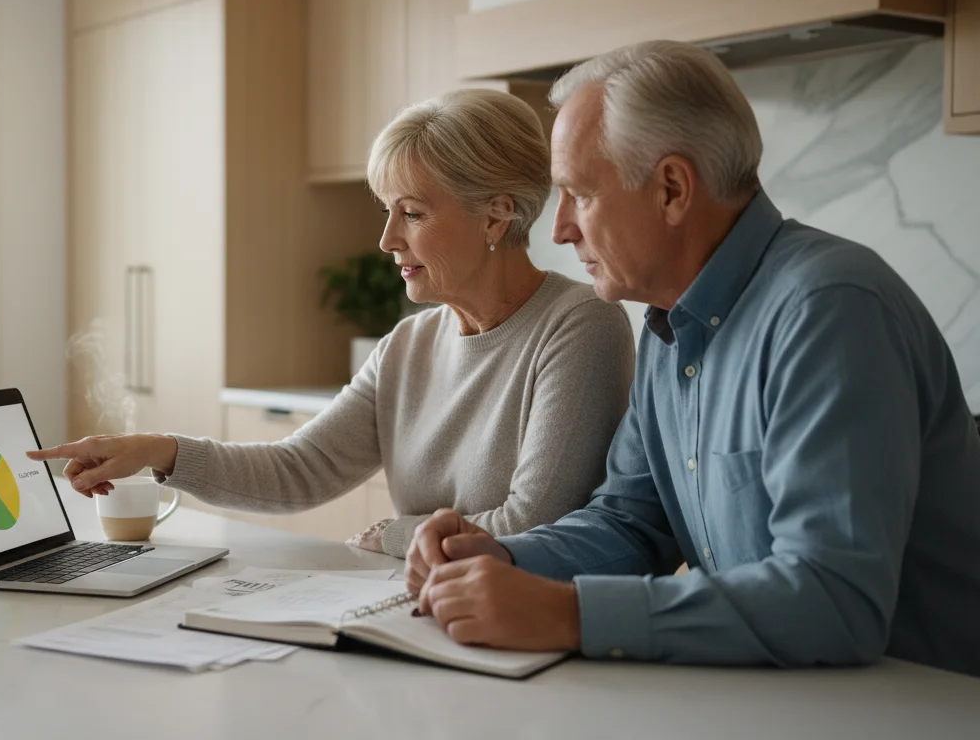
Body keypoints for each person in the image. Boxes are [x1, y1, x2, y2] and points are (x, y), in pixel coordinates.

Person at [405, 41, 980, 676]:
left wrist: (570, 614)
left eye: (579, 194)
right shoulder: (667, 327)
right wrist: (501, 558)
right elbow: (631, 524)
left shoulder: (828, 310)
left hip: (922, 706)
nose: (561, 228)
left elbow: (835, 600)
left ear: (672, 189)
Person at [31, 88, 635, 558]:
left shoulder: (579, 325)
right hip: (423, 609)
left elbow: (532, 527)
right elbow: (299, 470)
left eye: (413, 213)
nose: (387, 239)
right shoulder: (409, 344)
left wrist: (394, 536)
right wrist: (158, 451)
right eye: (387, 211)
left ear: (496, 216)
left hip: (519, 633)